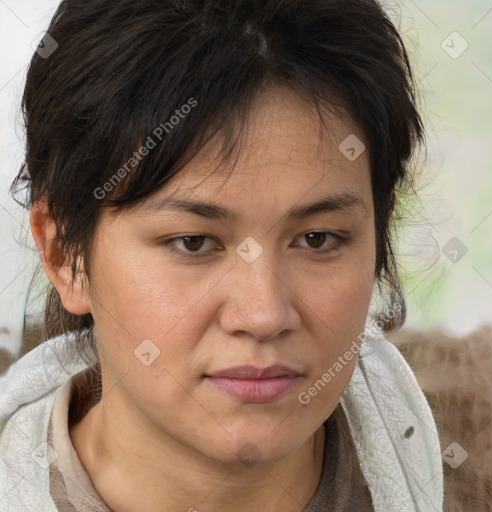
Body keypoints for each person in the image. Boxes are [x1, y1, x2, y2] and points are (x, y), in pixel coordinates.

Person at [0, 0, 444, 510]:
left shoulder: (481, 472)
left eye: (318, 238)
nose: (264, 315)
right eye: (193, 242)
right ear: (66, 255)